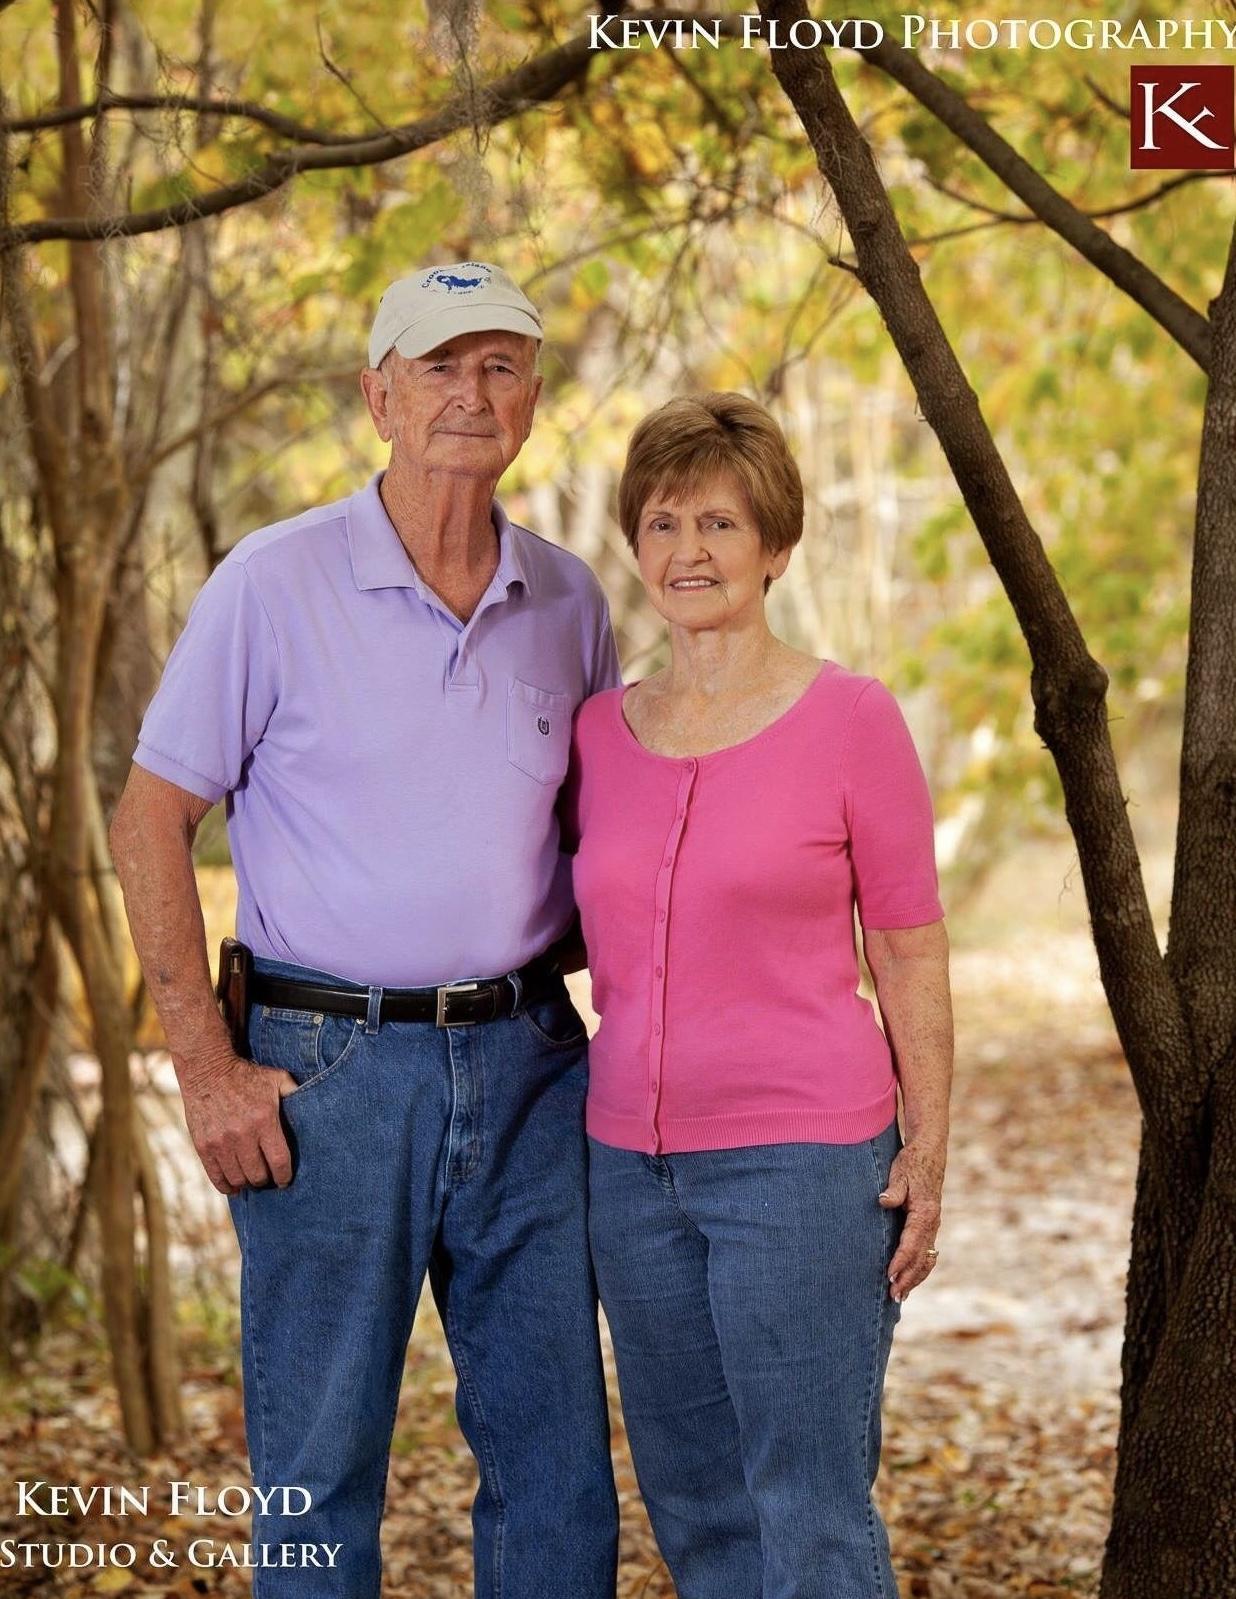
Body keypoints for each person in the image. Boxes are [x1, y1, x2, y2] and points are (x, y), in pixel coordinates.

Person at [110, 262, 620, 1599]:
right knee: (318, 1469)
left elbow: (606, 835)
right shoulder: (271, 584)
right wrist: (204, 1068)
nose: (471, 391)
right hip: (324, 1074)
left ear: (533, 397)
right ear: (377, 393)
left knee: (558, 1464)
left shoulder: (571, 602)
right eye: (439, 365)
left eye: (500, 364)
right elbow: (146, 819)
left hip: (530, 1066)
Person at [566, 392, 952, 1599]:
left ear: (776, 547)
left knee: (809, 1503)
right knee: (691, 1503)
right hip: (629, 1173)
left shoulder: (852, 721)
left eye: (720, 524)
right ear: (636, 542)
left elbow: (909, 951)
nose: (689, 551)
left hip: (804, 1167)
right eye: (665, 522)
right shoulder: (598, 733)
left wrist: (929, 1148)